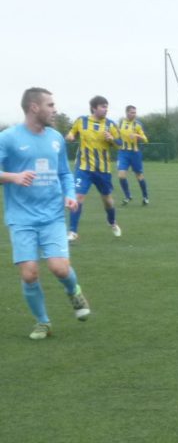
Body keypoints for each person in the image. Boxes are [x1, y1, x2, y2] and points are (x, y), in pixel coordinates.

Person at [1, 88, 91, 339]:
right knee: (29, 273)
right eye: (50, 105)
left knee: (60, 268)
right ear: (33, 107)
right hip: (21, 218)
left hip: (51, 215)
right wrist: (13, 177)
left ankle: (74, 291)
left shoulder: (56, 138)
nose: (54, 109)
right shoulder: (8, 138)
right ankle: (43, 322)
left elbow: (64, 172)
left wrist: (70, 195)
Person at [64, 95, 122, 241]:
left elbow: (120, 143)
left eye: (106, 107)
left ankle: (112, 221)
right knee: (78, 197)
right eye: (103, 106)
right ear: (94, 108)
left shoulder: (110, 125)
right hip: (83, 168)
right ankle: (73, 232)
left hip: (103, 170)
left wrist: (112, 139)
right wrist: (70, 136)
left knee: (107, 200)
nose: (105, 109)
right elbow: (72, 132)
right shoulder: (81, 121)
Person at [116, 105, 150, 205]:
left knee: (139, 176)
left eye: (135, 112)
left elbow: (145, 139)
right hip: (123, 153)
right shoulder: (121, 123)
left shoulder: (138, 124)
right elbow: (117, 138)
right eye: (132, 112)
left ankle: (145, 196)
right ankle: (128, 196)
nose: (134, 114)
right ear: (126, 112)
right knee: (121, 176)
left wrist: (137, 135)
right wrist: (111, 139)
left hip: (135, 153)